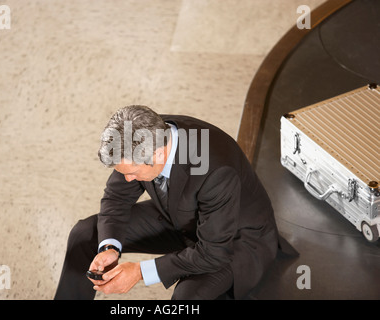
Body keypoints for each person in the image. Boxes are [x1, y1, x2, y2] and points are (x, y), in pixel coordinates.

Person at [54, 105, 297, 300]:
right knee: (86, 233)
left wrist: (139, 272)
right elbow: (117, 197)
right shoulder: (142, 135)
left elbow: (213, 252)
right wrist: (110, 247)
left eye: (133, 172)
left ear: (158, 155)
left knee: (187, 297)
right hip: (179, 214)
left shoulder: (216, 170)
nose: (127, 178)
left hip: (233, 240)